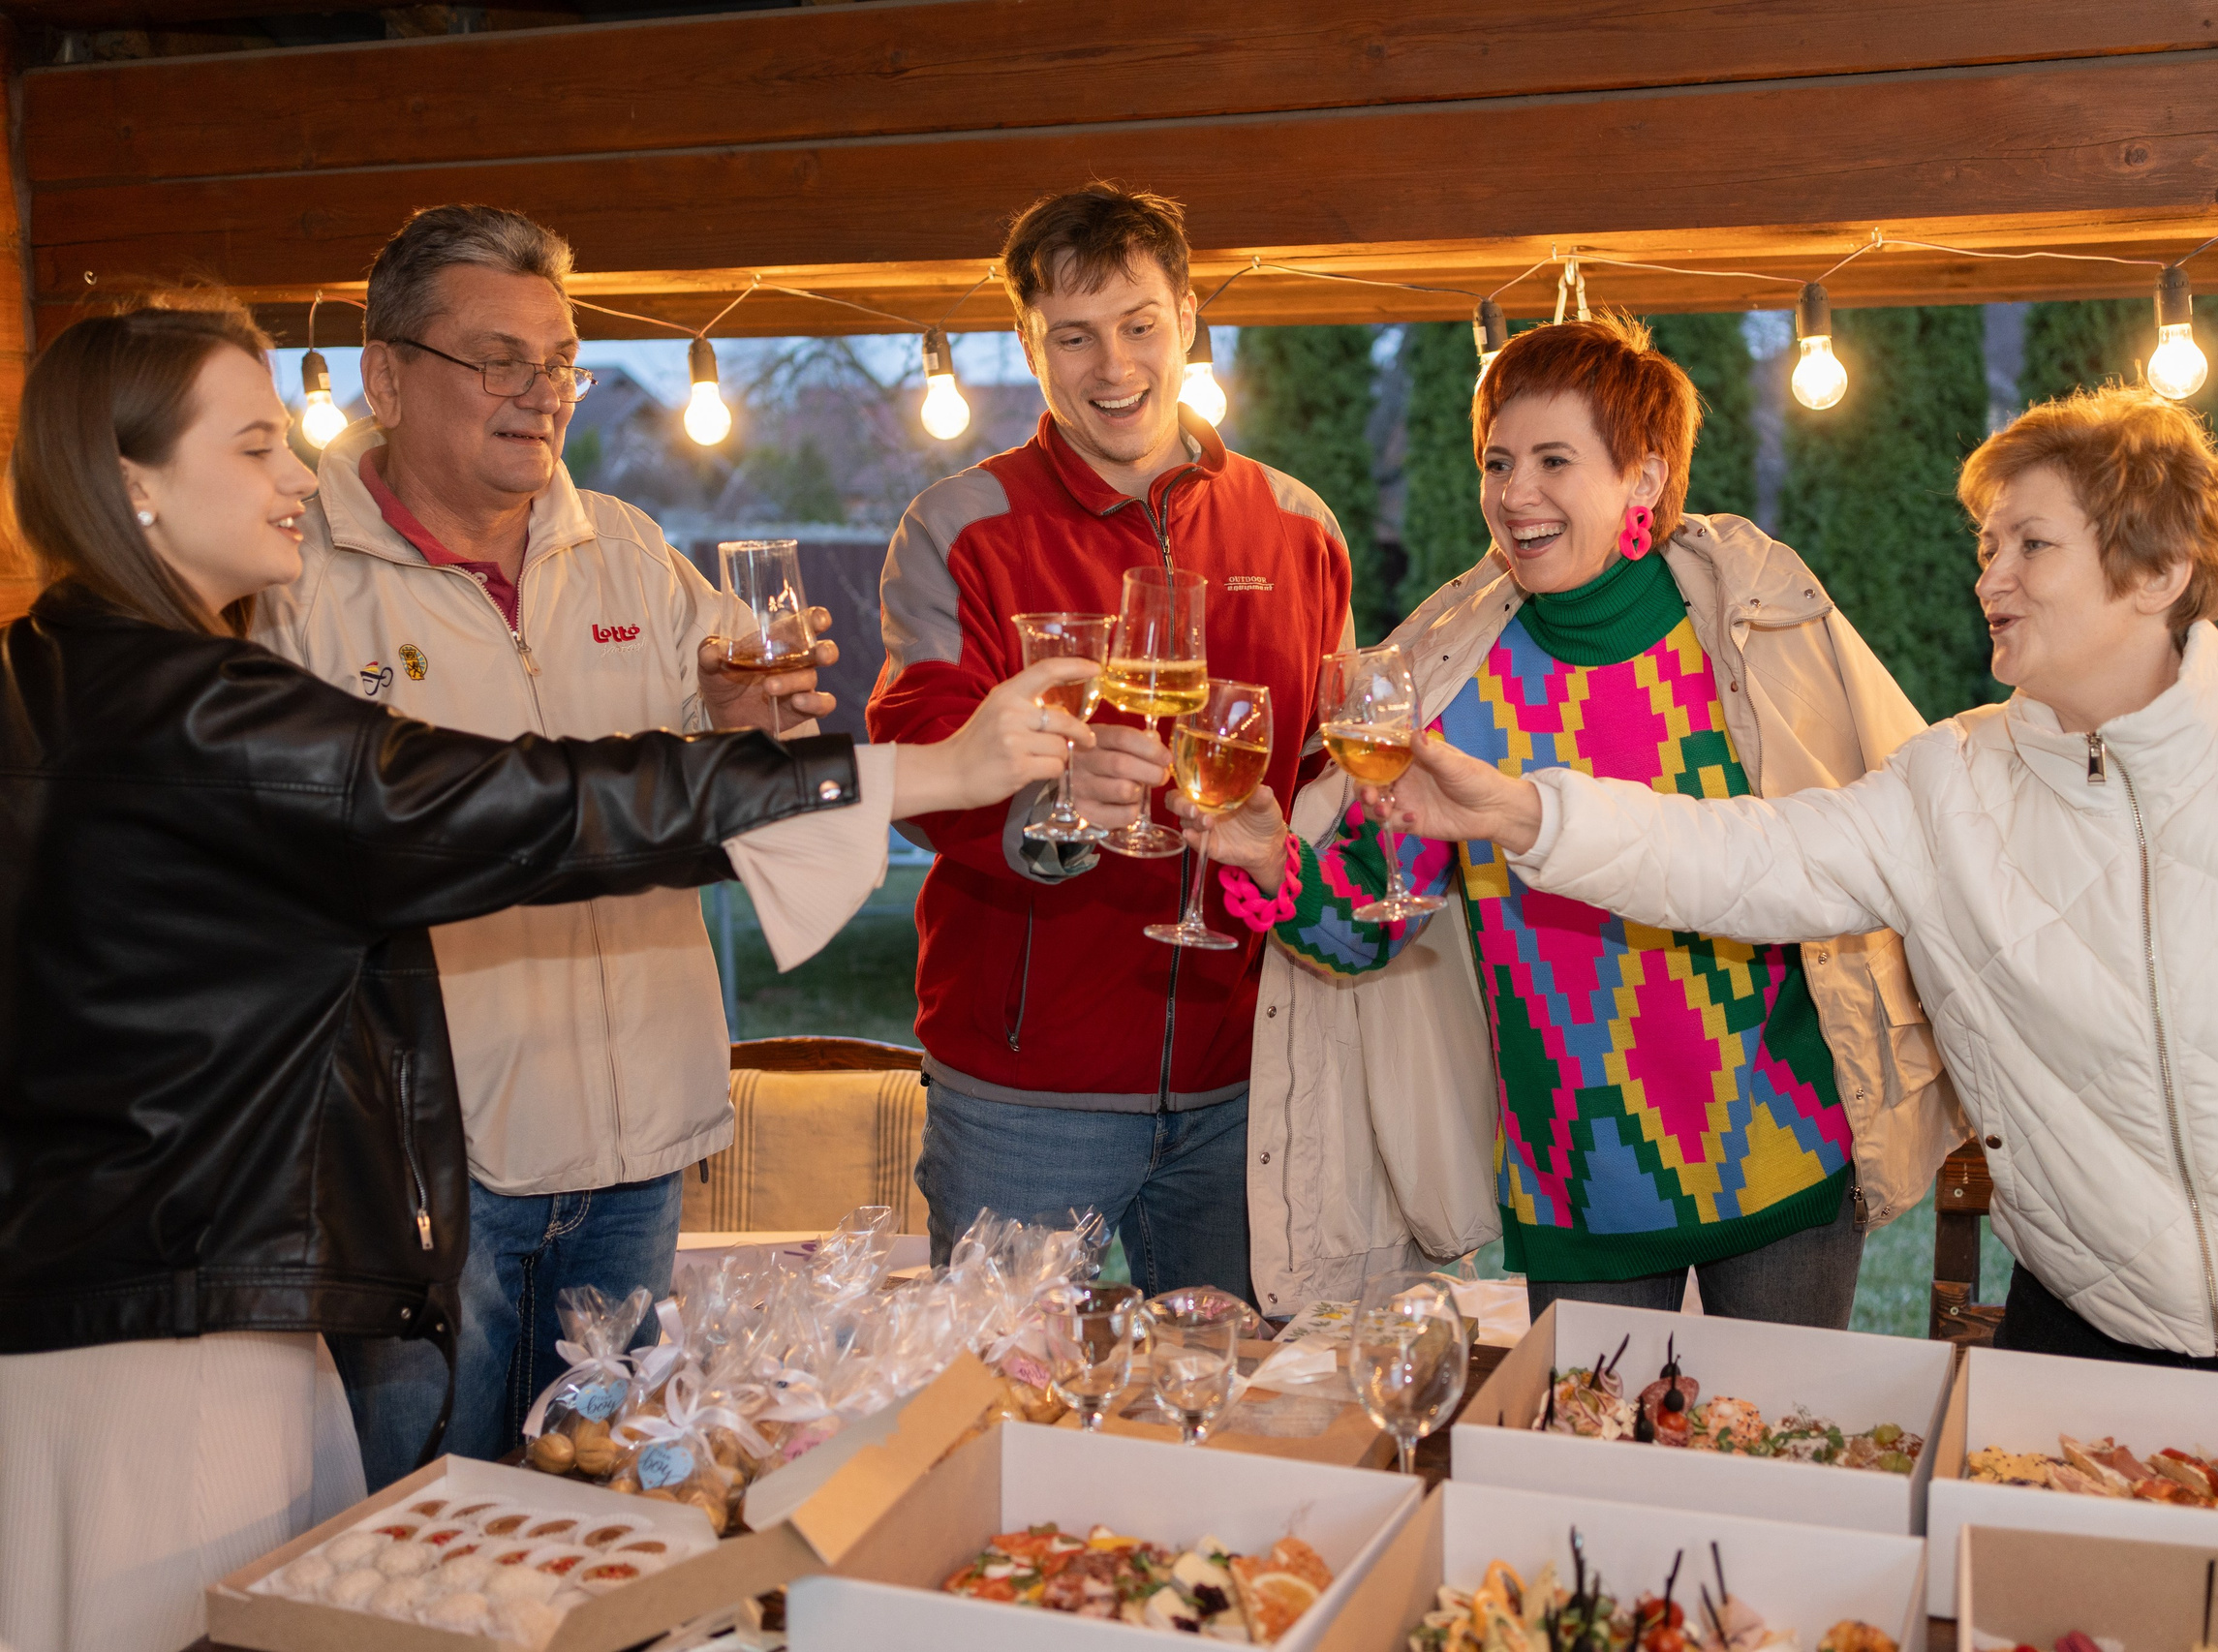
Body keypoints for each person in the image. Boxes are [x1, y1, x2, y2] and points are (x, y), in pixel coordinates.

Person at [0, 301, 1092, 1652]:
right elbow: (530, 801)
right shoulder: (204, 711)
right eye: (257, 445)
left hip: (54, 1347)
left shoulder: (37, 679)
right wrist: (932, 770)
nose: (297, 476)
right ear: (133, 484)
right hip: (182, 1377)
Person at [1377, 382, 2218, 1425]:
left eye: (2031, 545)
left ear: (2159, 572)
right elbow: (1742, 860)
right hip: (2087, 1330)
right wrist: (1525, 814)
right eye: (1986, 545)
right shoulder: (1946, 782)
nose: (1991, 576)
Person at [1180, 313, 1956, 1320]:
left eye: (1553, 459)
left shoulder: (1747, 642)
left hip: (1784, 1161)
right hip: (1576, 1183)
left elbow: (1872, 851)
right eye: (1497, 462)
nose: (1513, 494)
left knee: (1771, 1465)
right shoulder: (1455, 680)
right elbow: (1373, 924)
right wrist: (1267, 852)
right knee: (1581, 1472)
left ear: (1642, 475)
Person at [251, 205, 837, 1486]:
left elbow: (742, 785)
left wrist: (752, 731)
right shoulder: (294, 584)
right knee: (425, 1522)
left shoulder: (626, 547)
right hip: (428, 1175)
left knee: (599, 1509)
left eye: (559, 360)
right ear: (387, 374)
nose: (539, 393)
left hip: (638, 1150)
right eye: (496, 358)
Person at [867, 184, 1354, 1301]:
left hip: (1249, 1078)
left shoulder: (1298, 524)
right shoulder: (960, 526)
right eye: (1072, 336)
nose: (1112, 365)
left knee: (1237, 1406)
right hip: (1026, 1095)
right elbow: (916, 763)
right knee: (1003, 1407)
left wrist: (1307, 853)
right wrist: (1057, 796)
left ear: (1188, 317)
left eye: (1138, 324)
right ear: (1031, 345)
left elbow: (1327, 773)